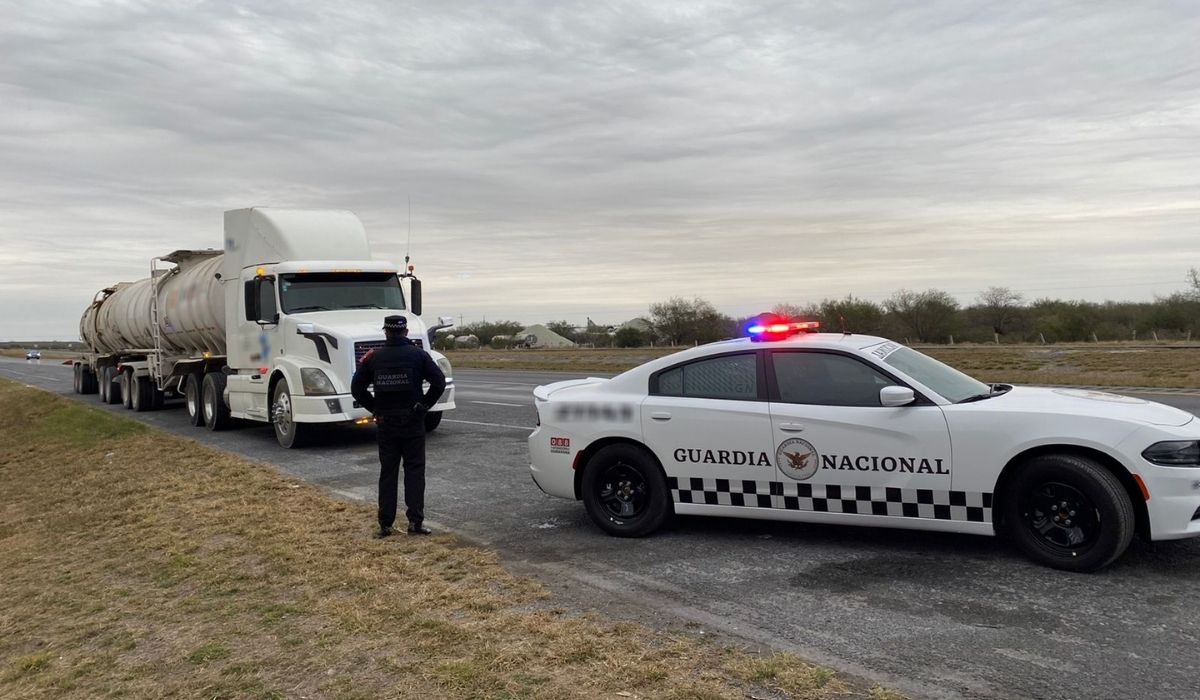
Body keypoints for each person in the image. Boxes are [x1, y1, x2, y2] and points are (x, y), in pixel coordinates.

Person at [351, 315, 446, 537]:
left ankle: (385, 524)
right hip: (412, 422)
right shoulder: (418, 355)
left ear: (386, 332)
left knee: (388, 472)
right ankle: (415, 522)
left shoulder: (373, 357)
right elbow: (439, 382)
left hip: (386, 423)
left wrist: (374, 407)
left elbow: (357, 388)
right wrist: (424, 406)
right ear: (405, 332)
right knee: (414, 471)